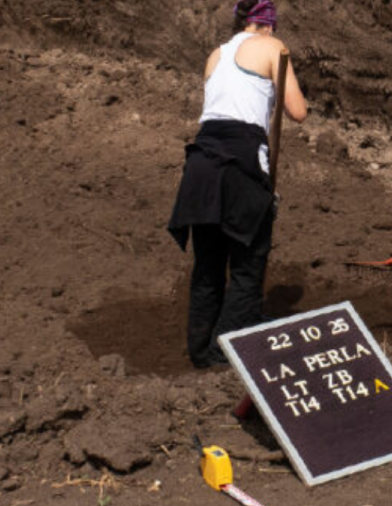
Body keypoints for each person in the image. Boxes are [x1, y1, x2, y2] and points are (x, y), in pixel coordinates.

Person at [167, 0, 307, 369]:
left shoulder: (215, 55)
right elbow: (298, 111)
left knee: (209, 265)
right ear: (269, 25)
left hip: (200, 165)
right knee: (247, 266)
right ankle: (226, 356)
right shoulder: (274, 48)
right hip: (239, 166)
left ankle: (201, 351)